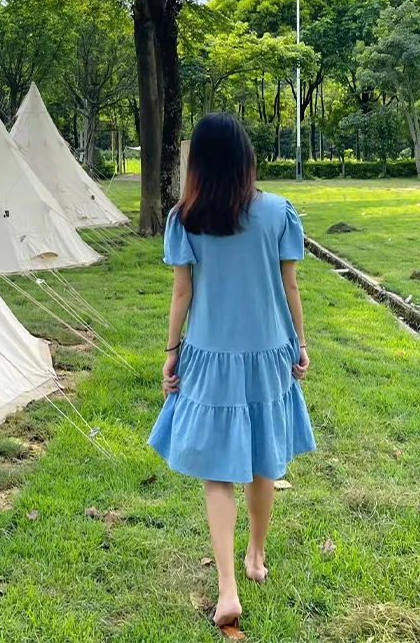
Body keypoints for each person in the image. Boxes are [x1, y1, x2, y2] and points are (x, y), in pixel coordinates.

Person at [148, 113, 316, 629]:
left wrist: (171, 351)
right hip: (268, 352)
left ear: (196, 162)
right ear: (247, 157)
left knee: (217, 473)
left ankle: (227, 588)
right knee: (264, 460)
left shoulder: (185, 218)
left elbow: (182, 291)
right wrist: (300, 344)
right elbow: (290, 286)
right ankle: (256, 557)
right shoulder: (279, 212)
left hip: (209, 354)